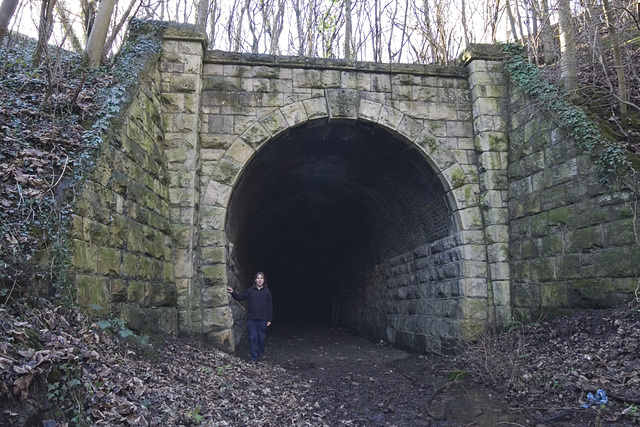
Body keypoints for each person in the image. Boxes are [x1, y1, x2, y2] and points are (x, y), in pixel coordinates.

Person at [227, 272, 273, 362]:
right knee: (252, 337)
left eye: (261, 278)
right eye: (258, 278)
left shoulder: (267, 292)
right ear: (255, 280)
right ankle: (254, 358)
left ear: (264, 280)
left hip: (263, 319)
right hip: (251, 319)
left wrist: (269, 319)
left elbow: (270, 306)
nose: (259, 280)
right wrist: (233, 292)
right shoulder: (250, 291)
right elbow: (240, 297)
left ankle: (260, 352)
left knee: (261, 337)